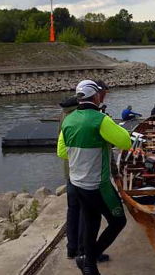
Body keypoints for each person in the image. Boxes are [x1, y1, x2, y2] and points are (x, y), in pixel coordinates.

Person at [58, 80, 132, 275]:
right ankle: (89, 258)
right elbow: (125, 141)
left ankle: (89, 267)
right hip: (98, 186)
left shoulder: (68, 120)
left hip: (77, 184)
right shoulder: (100, 119)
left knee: (91, 223)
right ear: (96, 96)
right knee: (118, 222)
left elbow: (62, 152)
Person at [59, 84, 112, 264]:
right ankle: (86, 253)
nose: (103, 98)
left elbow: (61, 149)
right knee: (88, 216)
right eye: (102, 94)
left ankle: (71, 249)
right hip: (86, 175)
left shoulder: (67, 115)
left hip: (71, 172)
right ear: (95, 95)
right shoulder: (92, 117)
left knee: (73, 209)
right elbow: (106, 146)